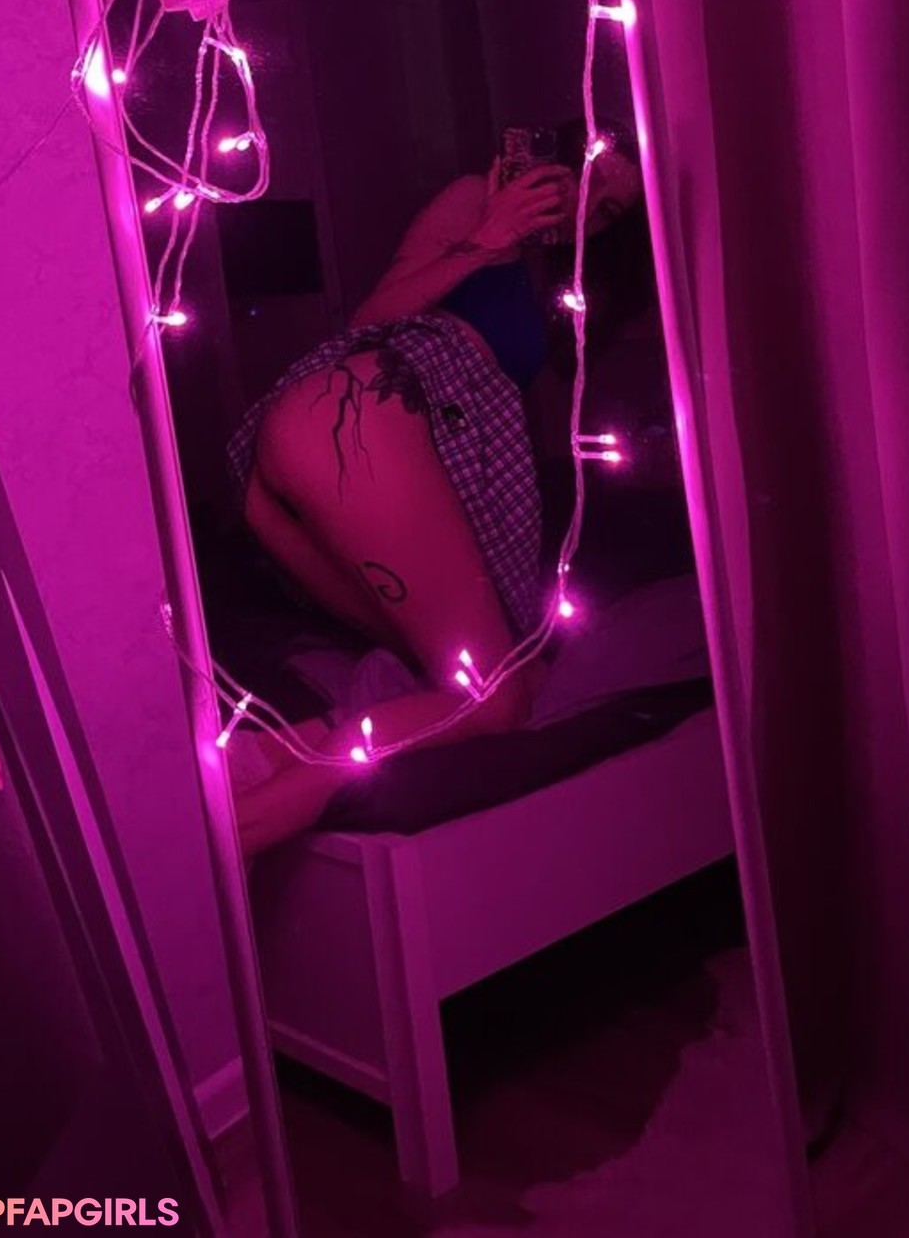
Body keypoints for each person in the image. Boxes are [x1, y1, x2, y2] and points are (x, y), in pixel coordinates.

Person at [226, 128, 645, 856]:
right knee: (500, 697)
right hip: (364, 411)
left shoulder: (563, 281)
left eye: (608, 212)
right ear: (568, 151)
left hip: (346, 450)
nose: (588, 207)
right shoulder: (475, 199)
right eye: (592, 178)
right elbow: (368, 322)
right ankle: (246, 828)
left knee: (481, 675)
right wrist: (490, 238)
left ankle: (253, 765)